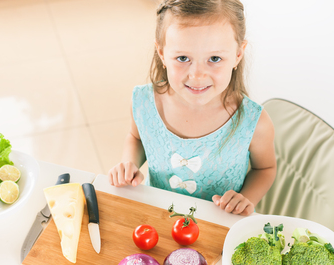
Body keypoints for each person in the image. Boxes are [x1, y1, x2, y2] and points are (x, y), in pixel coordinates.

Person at [108, 0, 276, 216]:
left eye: (214, 58)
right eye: (183, 58)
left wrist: (246, 199)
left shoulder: (255, 123)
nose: (197, 76)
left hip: (220, 226)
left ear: (238, 54)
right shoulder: (144, 103)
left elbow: (265, 169)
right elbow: (137, 137)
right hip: (157, 215)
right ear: (161, 53)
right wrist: (128, 164)